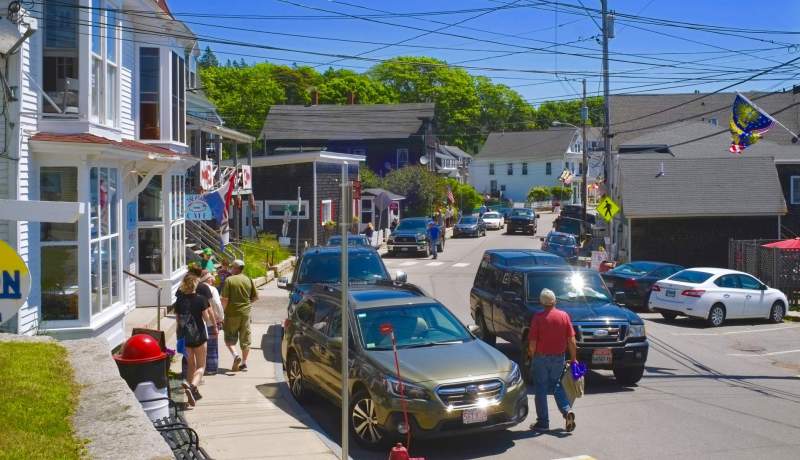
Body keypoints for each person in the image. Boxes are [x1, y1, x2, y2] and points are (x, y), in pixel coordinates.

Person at [529, 288, 577, 432]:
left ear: (541, 302)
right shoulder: (564, 316)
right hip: (559, 357)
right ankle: (566, 411)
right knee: (557, 385)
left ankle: (543, 422)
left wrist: (531, 356)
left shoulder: (538, 317)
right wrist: (574, 359)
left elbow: (532, 343)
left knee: (541, 389)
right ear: (555, 301)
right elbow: (572, 341)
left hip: (541, 357)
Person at [175, 273, 215, 406]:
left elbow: (177, 322)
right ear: (195, 284)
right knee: (201, 366)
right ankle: (192, 386)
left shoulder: (179, 302)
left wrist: (179, 338)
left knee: (190, 365)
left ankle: (189, 391)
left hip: (185, 337)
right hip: (199, 336)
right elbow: (206, 318)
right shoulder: (201, 299)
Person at [221, 259, 258, 372]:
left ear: (236, 268)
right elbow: (255, 297)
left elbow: (225, 299)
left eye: (232, 267)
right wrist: (247, 305)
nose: (231, 269)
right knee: (245, 339)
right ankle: (244, 363)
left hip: (232, 313)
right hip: (245, 313)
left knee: (229, 338)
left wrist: (222, 312)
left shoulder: (229, 280)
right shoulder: (248, 279)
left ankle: (236, 355)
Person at [200, 271, 223, 375]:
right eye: (211, 277)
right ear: (207, 279)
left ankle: (200, 368)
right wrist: (221, 317)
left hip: (199, 321)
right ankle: (211, 368)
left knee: (201, 346)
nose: (213, 279)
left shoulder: (196, 288)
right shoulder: (212, 290)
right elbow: (217, 304)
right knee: (212, 346)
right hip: (211, 320)